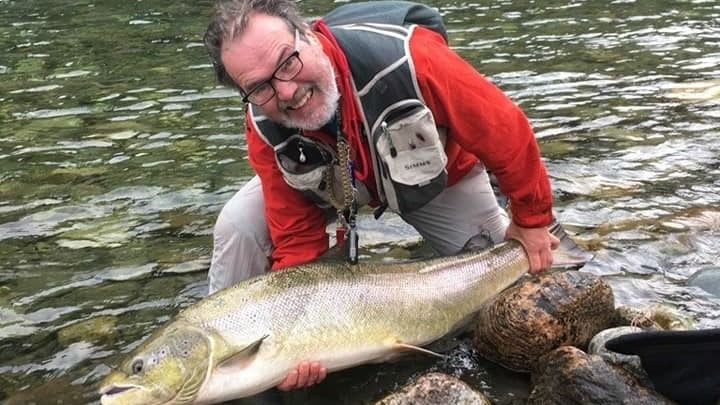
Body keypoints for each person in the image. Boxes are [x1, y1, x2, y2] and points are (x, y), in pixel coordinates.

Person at [203, 0, 559, 392]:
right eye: (259, 87)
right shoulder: (263, 125)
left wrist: (532, 220)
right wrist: (293, 342)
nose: (286, 91)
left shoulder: (410, 57)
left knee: (510, 272)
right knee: (238, 223)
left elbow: (505, 132)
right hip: (335, 183)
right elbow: (295, 237)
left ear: (308, 34)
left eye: (287, 62)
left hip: (435, 178)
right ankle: (224, 364)